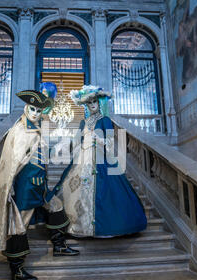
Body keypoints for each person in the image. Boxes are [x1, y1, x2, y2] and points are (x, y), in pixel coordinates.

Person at [0, 90, 79, 280]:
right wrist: (8, 187)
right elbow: (11, 162)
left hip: (39, 184)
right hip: (25, 185)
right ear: (26, 108)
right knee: (19, 224)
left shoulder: (37, 129)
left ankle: (59, 245)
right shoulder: (19, 130)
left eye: (39, 109)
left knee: (56, 205)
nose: (35, 112)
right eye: (32, 108)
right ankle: (16, 269)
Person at [51, 85, 147, 238]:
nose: (93, 104)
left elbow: (109, 143)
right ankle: (79, 224)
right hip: (83, 157)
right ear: (86, 105)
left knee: (103, 191)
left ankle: (103, 225)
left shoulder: (105, 120)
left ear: (99, 103)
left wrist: (98, 139)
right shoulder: (84, 122)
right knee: (75, 188)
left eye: (95, 101)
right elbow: (79, 141)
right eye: (89, 103)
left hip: (100, 158)